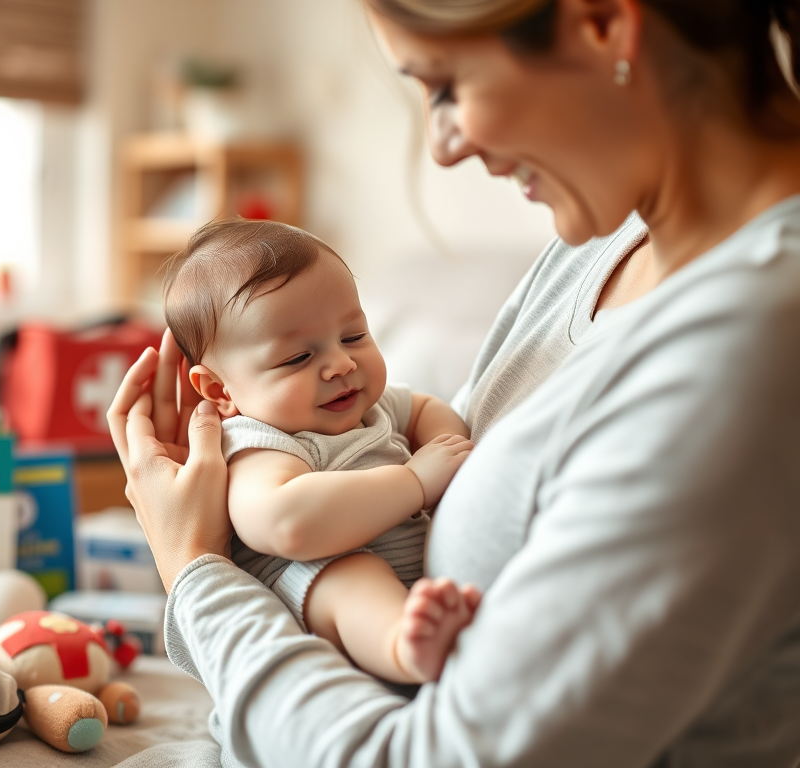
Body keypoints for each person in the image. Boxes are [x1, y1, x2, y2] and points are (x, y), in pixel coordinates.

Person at [109, 0, 800, 765]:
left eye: (443, 85)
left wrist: (196, 572)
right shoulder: (599, 245)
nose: (441, 148)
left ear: (603, 20)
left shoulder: (754, 334)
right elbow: (438, 456)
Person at [162, 217, 478, 684]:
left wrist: (443, 447)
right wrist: (414, 481)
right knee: (352, 576)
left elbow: (428, 408)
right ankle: (403, 647)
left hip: (413, 581)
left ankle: (416, 630)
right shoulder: (260, 444)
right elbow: (286, 522)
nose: (341, 363)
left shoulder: (371, 404)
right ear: (220, 390)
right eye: (297, 358)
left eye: (353, 336)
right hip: (314, 602)